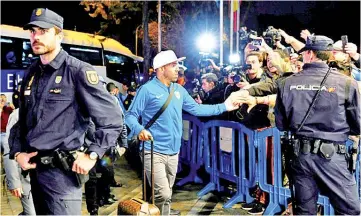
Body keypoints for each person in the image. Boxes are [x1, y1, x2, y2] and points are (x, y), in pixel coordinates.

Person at [9, 8, 123, 215]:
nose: (36, 37)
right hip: (36, 172)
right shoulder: (32, 72)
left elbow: (113, 119)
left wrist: (92, 154)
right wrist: (18, 152)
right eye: (32, 31)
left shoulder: (78, 71)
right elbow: (22, 121)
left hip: (63, 176)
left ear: (59, 34)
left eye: (43, 31)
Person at [126, 50, 242, 216]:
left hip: (174, 152)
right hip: (153, 151)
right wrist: (140, 130)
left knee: (166, 195)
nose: (177, 69)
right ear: (160, 69)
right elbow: (129, 116)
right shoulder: (147, 90)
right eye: (173, 65)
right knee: (163, 193)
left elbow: (197, 109)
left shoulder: (178, 90)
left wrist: (224, 106)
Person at [274, 35, 360, 215]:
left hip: (299, 156)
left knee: (305, 211)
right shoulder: (346, 83)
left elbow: (281, 124)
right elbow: (357, 125)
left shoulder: (286, 83)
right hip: (332, 156)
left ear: (310, 54)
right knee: (350, 210)